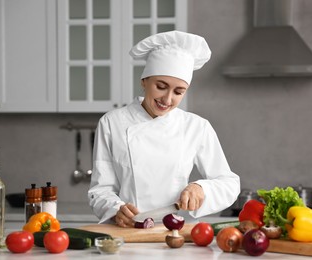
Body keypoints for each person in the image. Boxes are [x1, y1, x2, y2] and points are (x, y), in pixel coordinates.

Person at [88, 30, 240, 227]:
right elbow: (100, 190)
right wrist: (116, 209)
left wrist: (201, 188)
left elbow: (229, 183)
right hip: (129, 230)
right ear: (144, 81)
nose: (167, 99)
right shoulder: (112, 122)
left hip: (175, 232)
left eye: (178, 92)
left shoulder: (196, 127)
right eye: (161, 86)